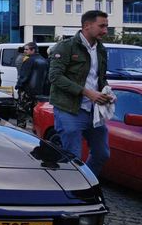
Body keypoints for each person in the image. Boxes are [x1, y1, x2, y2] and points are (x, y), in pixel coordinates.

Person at [49, 10, 113, 176]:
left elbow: (100, 78)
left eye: (107, 26)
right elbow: (55, 76)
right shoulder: (66, 46)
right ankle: (72, 193)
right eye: (102, 26)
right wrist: (87, 93)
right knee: (73, 158)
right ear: (87, 26)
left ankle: (85, 183)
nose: (105, 31)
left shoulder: (101, 49)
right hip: (69, 110)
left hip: (94, 112)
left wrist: (107, 92)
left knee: (102, 154)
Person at [15, 42, 49, 128]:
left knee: (21, 111)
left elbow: (24, 76)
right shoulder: (44, 60)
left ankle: (21, 130)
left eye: (26, 49)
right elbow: (47, 78)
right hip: (39, 92)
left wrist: (19, 85)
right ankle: (36, 130)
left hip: (27, 91)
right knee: (36, 113)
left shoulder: (28, 60)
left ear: (33, 50)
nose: (25, 51)